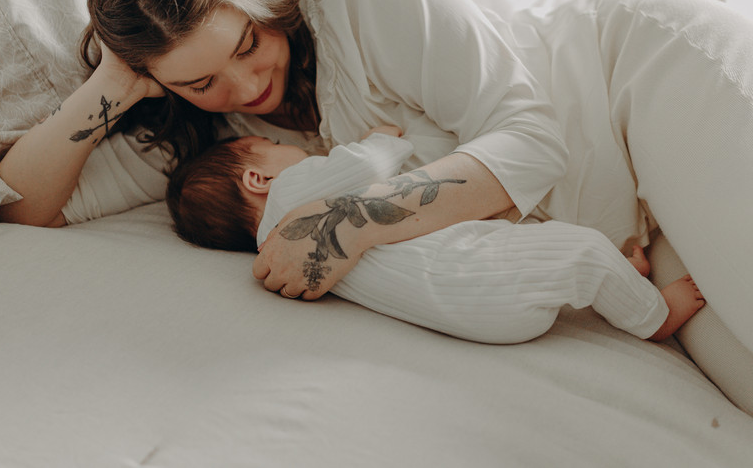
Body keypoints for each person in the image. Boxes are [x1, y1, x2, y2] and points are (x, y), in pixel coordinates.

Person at [0, 0, 753, 381]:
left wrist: (348, 225)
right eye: (200, 80)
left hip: (631, 86)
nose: (245, 83)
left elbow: (530, 139)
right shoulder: (214, 138)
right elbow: (28, 205)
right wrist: (116, 77)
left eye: (249, 42)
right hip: (631, 219)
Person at [165, 127, 705, 343]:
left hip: (466, 310)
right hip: (470, 274)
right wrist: (384, 141)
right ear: (257, 178)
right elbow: (360, 166)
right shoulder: (290, 198)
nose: (292, 146)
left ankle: (614, 276)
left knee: (549, 253)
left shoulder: (278, 257)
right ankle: (652, 315)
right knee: (579, 250)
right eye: (269, 142)